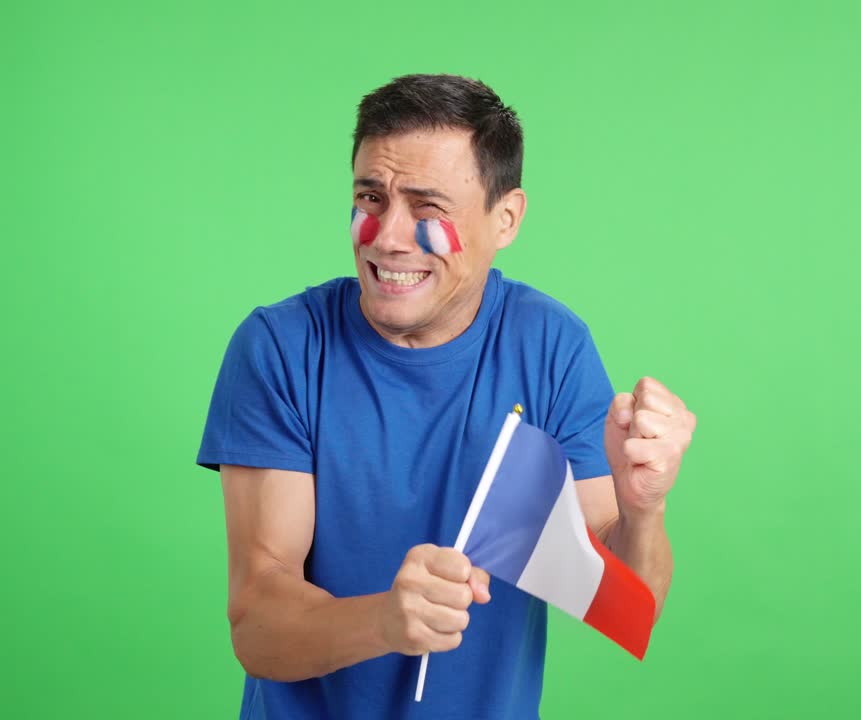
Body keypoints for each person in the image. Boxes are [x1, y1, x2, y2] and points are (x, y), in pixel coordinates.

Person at [196, 74, 695, 719]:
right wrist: (384, 621)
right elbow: (257, 624)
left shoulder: (551, 345)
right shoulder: (282, 346)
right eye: (371, 198)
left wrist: (643, 510)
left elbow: (627, 604)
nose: (387, 235)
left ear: (505, 218)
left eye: (427, 208)